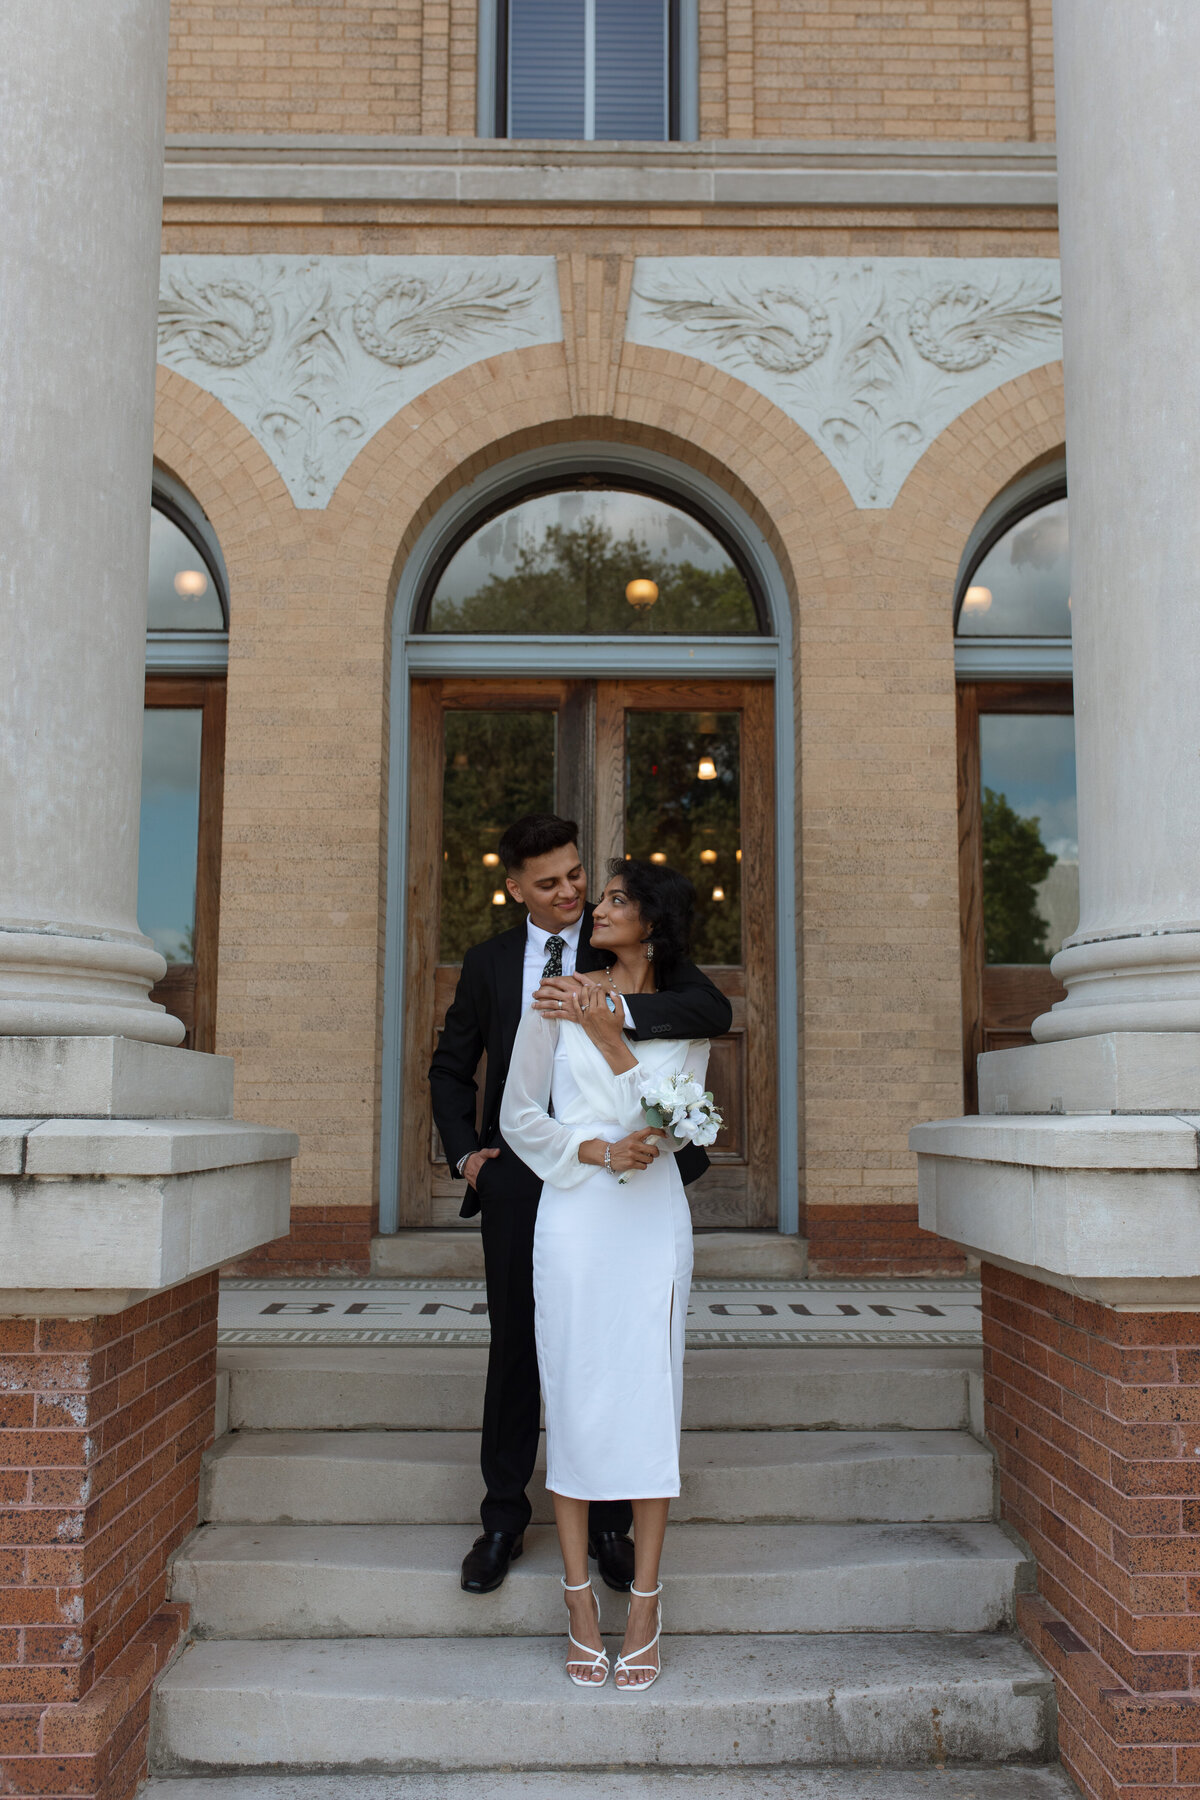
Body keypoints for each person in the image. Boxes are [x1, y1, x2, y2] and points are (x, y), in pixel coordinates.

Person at [429, 815, 732, 1599]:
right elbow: (453, 1064)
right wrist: (468, 1155)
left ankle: (607, 1527)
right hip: (522, 1177)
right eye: (552, 883)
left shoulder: (613, 951)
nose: (572, 894)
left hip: (624, 1181)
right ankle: (502, 1518)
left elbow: (703, 1010)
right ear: (516, 889)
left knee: (608, 1349)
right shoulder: (492, 962)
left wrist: (609, 1012)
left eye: (577, 877)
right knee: (518, 1343)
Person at [500, 857, 706, 1688]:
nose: (596, 906)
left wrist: (610, 1034)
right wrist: (590, 1147)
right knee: (579, 1394)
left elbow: (685, 1125)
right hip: (577, 1216)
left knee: (652, 1397)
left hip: (651, 1222)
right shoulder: (552, 999)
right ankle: (579, 1599)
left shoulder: (677, 1013)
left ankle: (647, 1602)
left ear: (651, 922)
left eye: (616, 899)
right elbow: (519, 1116)